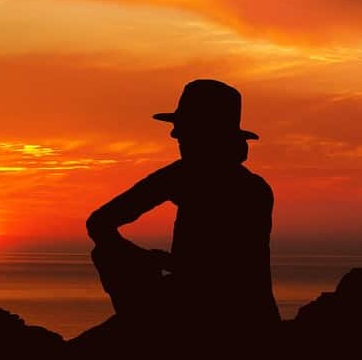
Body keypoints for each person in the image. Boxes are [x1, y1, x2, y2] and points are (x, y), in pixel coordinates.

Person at [86, 79, 280, 337]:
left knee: (107, 254)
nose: (174, 135)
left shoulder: (195, 178)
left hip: (220, 312)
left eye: (183, 126)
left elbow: (220, 272)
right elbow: (99, 222)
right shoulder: (253, 188)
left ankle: (144, 328)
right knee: (107, 252)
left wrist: (151, 260)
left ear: (206, 131)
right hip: (246, 311)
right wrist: (153, 260)